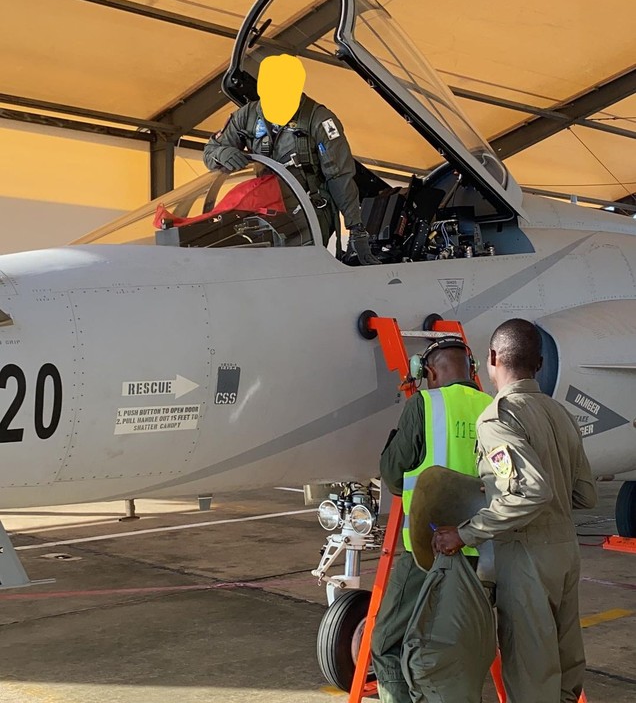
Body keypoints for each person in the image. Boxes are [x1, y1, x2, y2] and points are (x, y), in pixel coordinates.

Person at [433, 318, 598, 703]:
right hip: (565, 553)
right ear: (539, 364)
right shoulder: (560, 413)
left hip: (526, 558)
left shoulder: (499, 417)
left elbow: (532, 492)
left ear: (492, 358)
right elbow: (586, 494)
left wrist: (464, 533)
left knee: (531, 675)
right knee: (565, 670)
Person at [371, 337, 492, 703]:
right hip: (483, 553)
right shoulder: (492, 407)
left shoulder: (425, 403)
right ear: (472, 369)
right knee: (458, 644)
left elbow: (393, 476)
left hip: (428, 554)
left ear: (429, 372)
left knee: (388, 643)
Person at [203, 54, 379, 264]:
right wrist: (221, 153)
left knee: (299, 267)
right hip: (266, 207)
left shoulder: (320, 120)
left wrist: (356, 228)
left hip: (309, 209)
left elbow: (340, 177)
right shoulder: (246, 116)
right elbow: (211, 152)